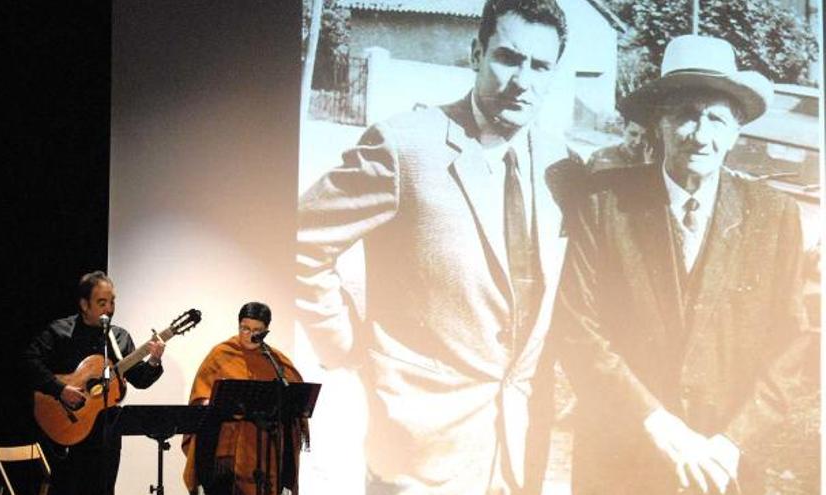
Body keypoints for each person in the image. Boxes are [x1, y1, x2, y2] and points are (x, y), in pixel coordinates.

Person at [296, 1, 584, 492]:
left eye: (540, 66)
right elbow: (300, 243)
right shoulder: (404, 146)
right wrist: (347, 346)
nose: (523, 80)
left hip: (520, 452)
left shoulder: (565, 168)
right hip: (418, 451)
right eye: (509, 58)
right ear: (477, 52)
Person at [553, 35, 817, 494]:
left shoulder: (773, 216)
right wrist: (658, 425)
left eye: (715, 119)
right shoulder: (605, 203)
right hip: (621, 460)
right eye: (686, 117)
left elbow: (791, 342)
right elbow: (577, 327)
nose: (700, 135)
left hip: (723, 469)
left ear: (735, 132)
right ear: (660, 124)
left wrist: (732, 443)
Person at [24, 271, 166, 495]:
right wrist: (60, 389)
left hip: (107, 433)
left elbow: (139, 379)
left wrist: (155, 360)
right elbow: (29, 362)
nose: (109, 309)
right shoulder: (60, 332)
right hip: (65, 427)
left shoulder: (119, 338)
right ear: (84, 304)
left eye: (112, 302)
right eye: (102, 302)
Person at [182, 302, 307, 495]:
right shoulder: (221, 354)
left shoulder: (274, 360)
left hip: (265, 450)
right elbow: (200, 396)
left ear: (266, 331)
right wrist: (209, 402)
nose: (249, 334)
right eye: (245, 328)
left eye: (257, 330)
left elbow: (296, 399)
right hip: (226, 455)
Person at [587, 115, 653, 171]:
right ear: (623, 129)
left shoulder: (653, 162)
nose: (638, 141)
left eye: (644, 136)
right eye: (633, 134)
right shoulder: (599, 158)